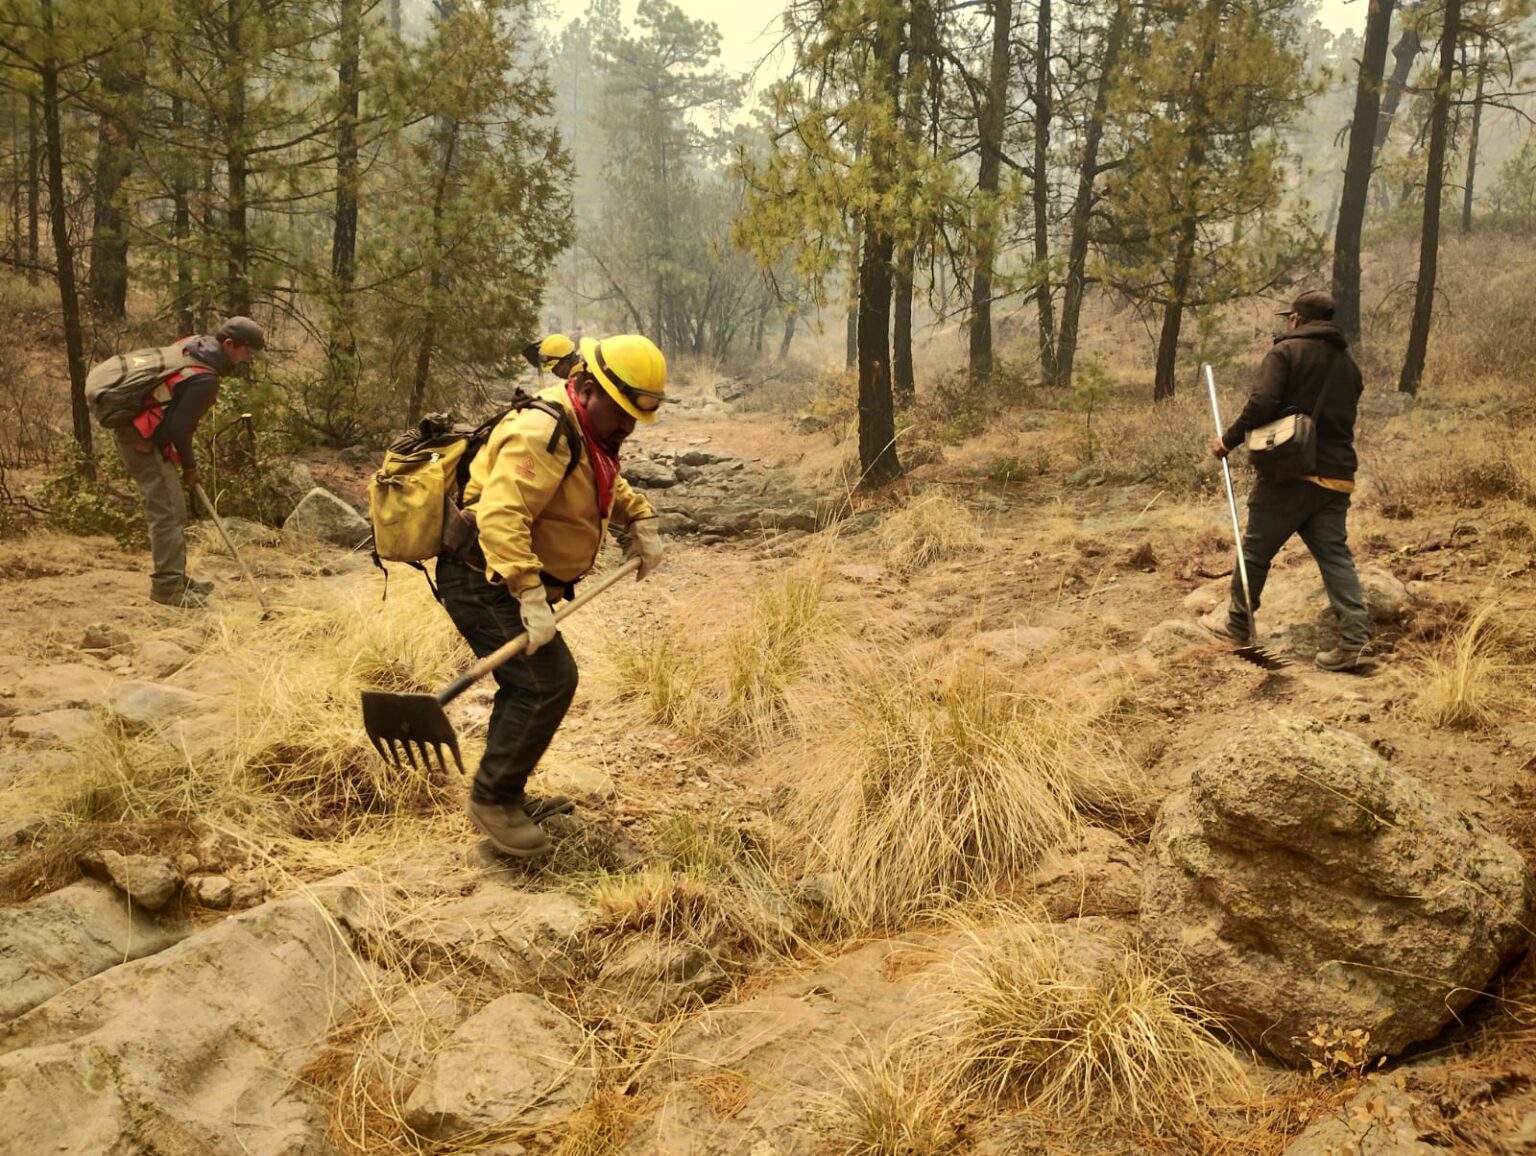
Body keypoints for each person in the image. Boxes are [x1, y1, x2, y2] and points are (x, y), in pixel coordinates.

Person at [439, 333, 667, 858]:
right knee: (546, 680)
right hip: (482, 578)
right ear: (585, 387)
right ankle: (493, 799)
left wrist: (639, 517)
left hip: (507, 580)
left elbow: (598, 478)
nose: (629, 425)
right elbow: (502, 515)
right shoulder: (542, 431)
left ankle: (507, 791)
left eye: (639, 414)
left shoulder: (584, 428)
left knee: (532, 682)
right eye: (622, 411)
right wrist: (528, 592)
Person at [1209, 290, 1370, 671]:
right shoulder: (1348, 365)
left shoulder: (1285, 353)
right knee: (1335, 557)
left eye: (1289, 318)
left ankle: (1237, 626)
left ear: (1296, 319)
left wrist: (1227, 440)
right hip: (1336, 476)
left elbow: (1262, 402)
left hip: (1289, 473)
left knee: (1255, 551)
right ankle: (1356, 641)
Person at [117, 316, 265, 609]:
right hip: (141, 437)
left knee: (174, 510)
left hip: (141, 432)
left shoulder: (191, 346)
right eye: (246, 352)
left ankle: (175, 579)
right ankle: (167, 590)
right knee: (168, 512)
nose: (247, 359)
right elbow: (179, 430)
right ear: (229, 344)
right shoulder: (206, 377)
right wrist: (190, 468)